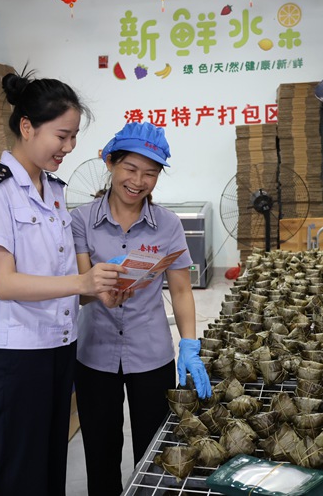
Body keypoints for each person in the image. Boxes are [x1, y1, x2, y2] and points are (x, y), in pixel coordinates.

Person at [0, 70, 127, 496]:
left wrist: (97, 288)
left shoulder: (54, 190)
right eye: (62, 135)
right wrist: (81, 282)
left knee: (52, 469)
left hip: (59, 349)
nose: (69, 147)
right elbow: (4, 283)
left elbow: (57, 275)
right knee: (21, 477)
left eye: (74, 137)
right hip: (18, 358)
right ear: (27, 127)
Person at [70, 122, 212, 495]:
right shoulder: (81, 220)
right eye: (130, 169)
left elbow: (181, 291)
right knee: (100, 455)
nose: (138, 181)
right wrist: (98, 289)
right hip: (94, 354)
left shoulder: (167, 225)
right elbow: (80, 291)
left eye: (150, 173)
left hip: (151, 354)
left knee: (155, 455)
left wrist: (190, 345)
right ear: (110, 163)